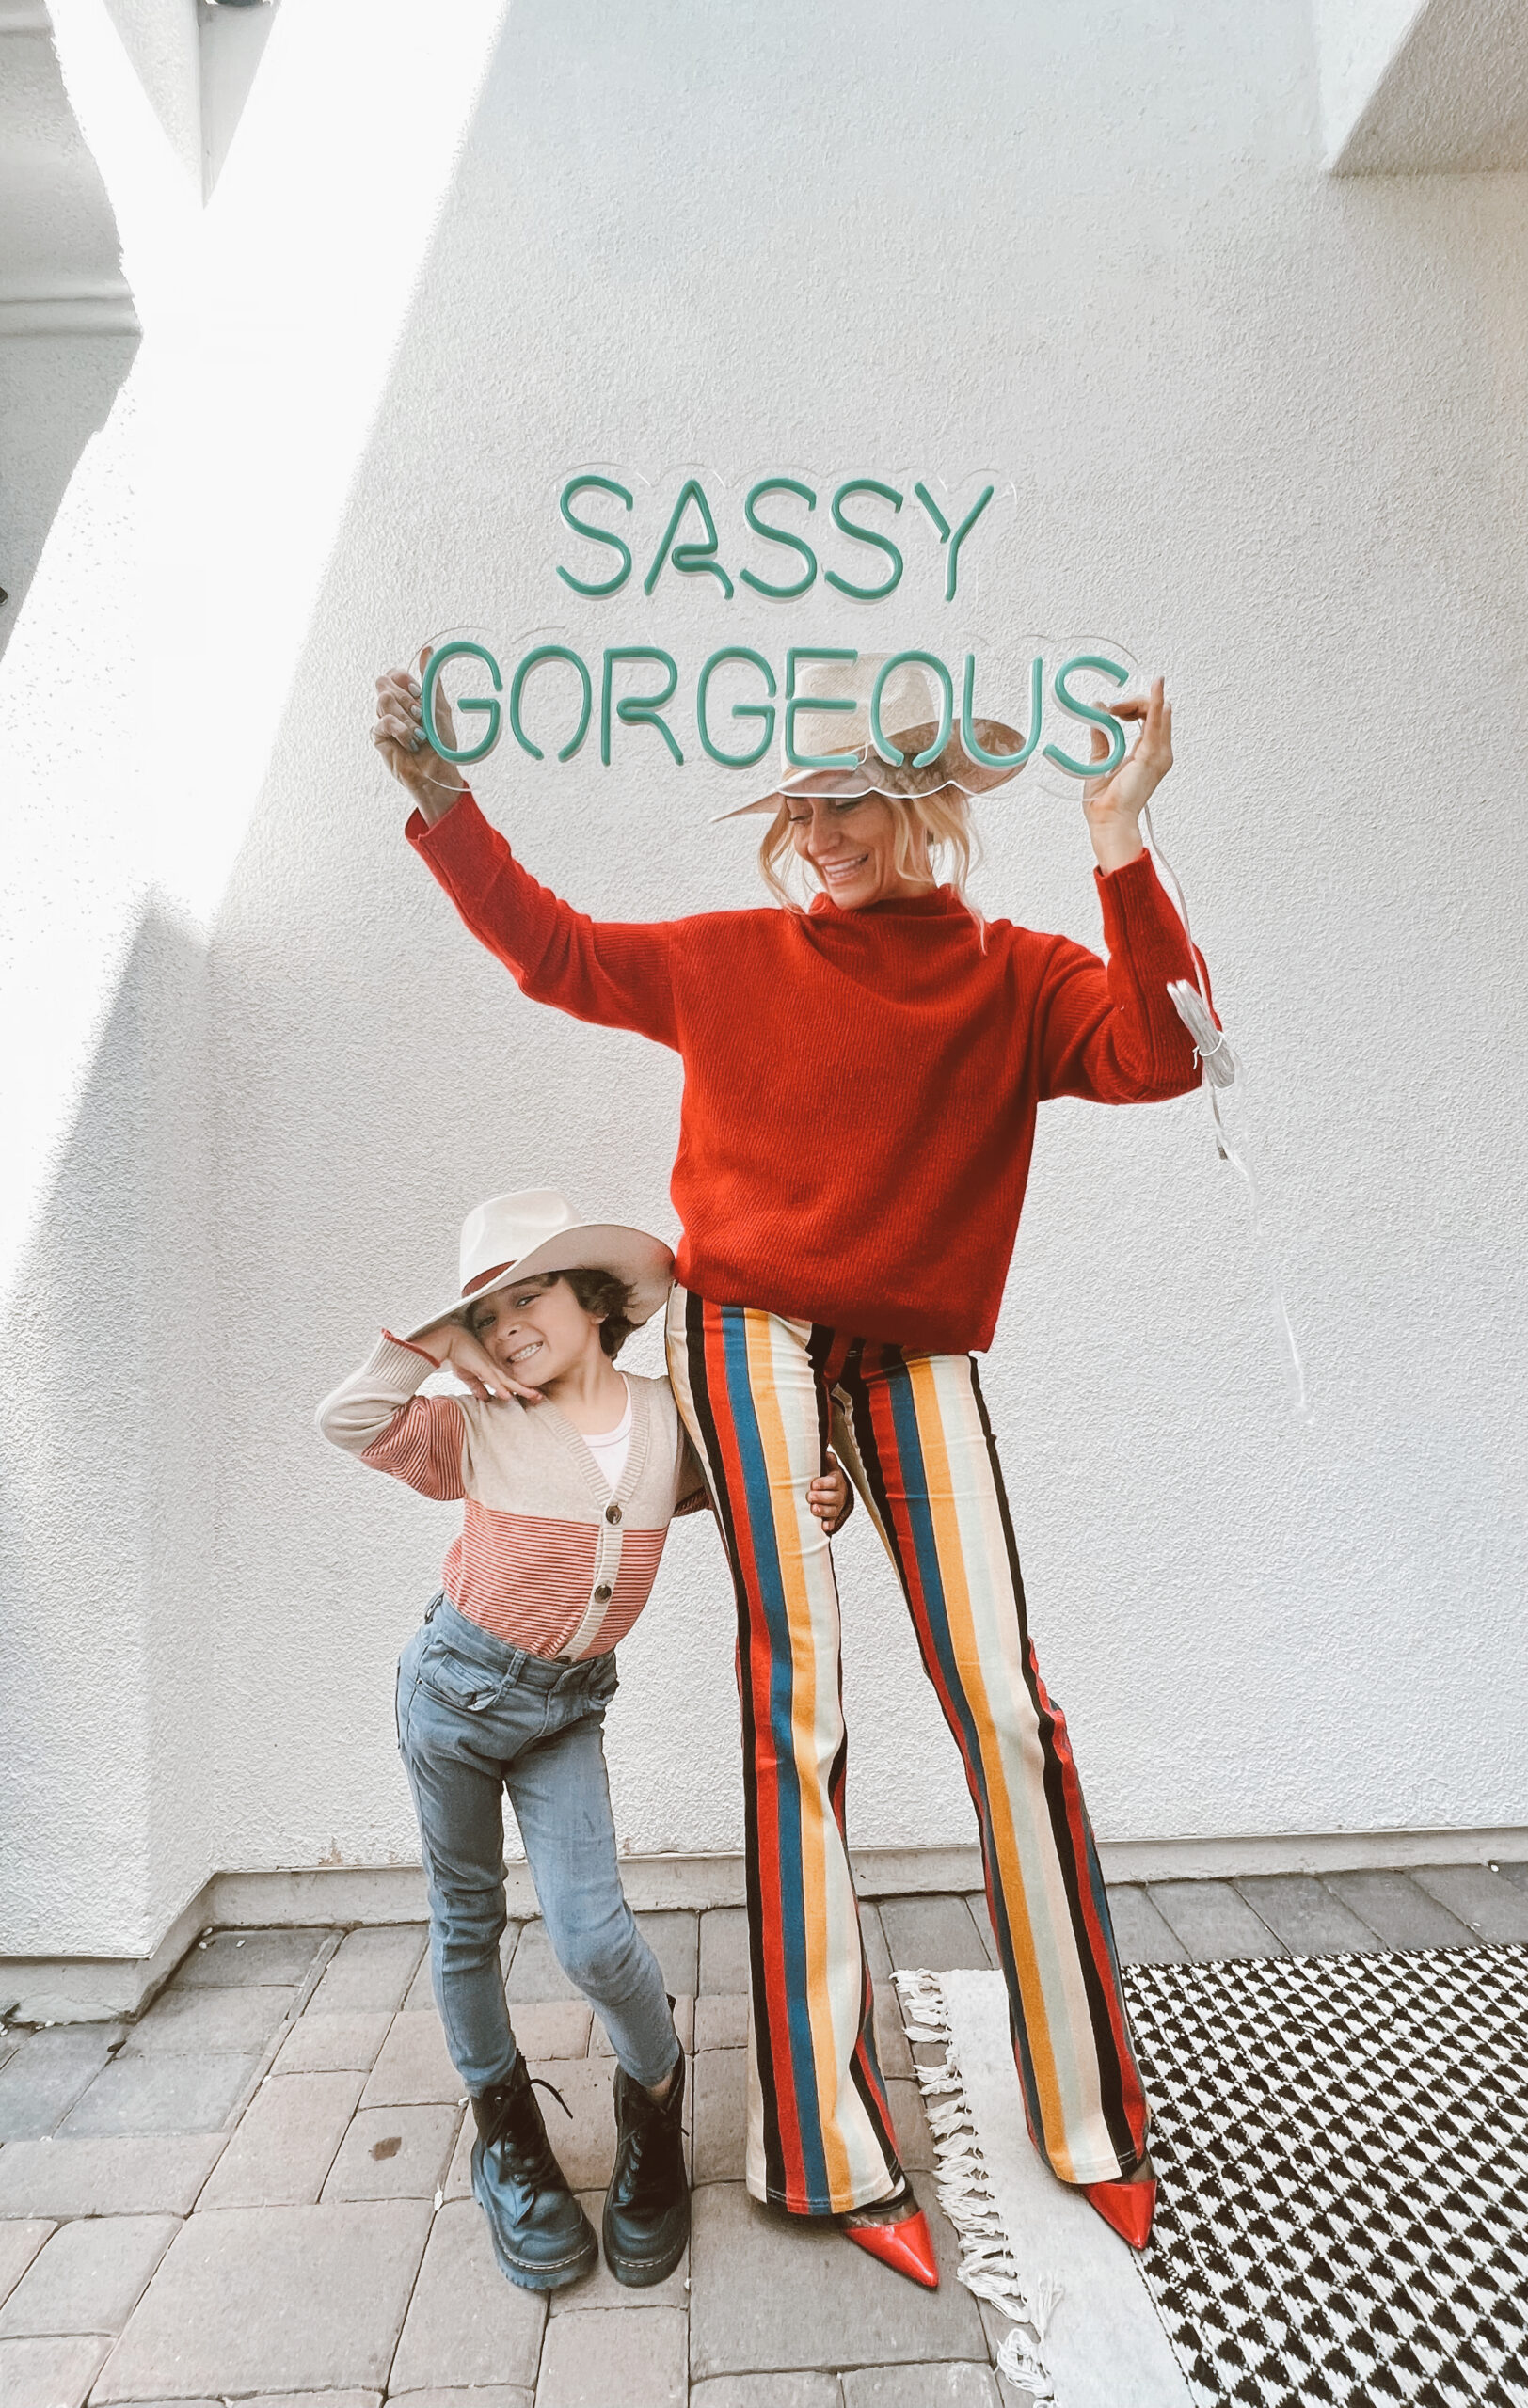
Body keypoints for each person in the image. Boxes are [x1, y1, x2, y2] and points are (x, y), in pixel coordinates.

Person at [371, 648, 1211, 2286]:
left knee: (1000, 1700)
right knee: (799, 1705)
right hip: (744, 1330)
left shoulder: (1011, 975)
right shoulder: (735, 960)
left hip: (908, 1343)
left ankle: (1085, 2118)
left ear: (928, 811)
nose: (816, 833)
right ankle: (820, 2154)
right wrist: (443, 805)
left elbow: (1160, 1055)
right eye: (800, 808)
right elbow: (554, 953)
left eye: (849, 803)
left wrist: (1118, 837)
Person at [315, 1183, 854, 2291]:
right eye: (491, 1308)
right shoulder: (479, 1424)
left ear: (596, 1297)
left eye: (534, 1291)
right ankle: (503, 2126)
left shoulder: (668, 1417)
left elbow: (762, 1478)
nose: (513, 1320)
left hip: (566, 1708)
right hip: (453, 1696)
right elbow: (349, 1421)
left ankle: (653, 2100)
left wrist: (825, 1487)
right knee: (468, 1915)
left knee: (592, 1936)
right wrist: (433, 1343)